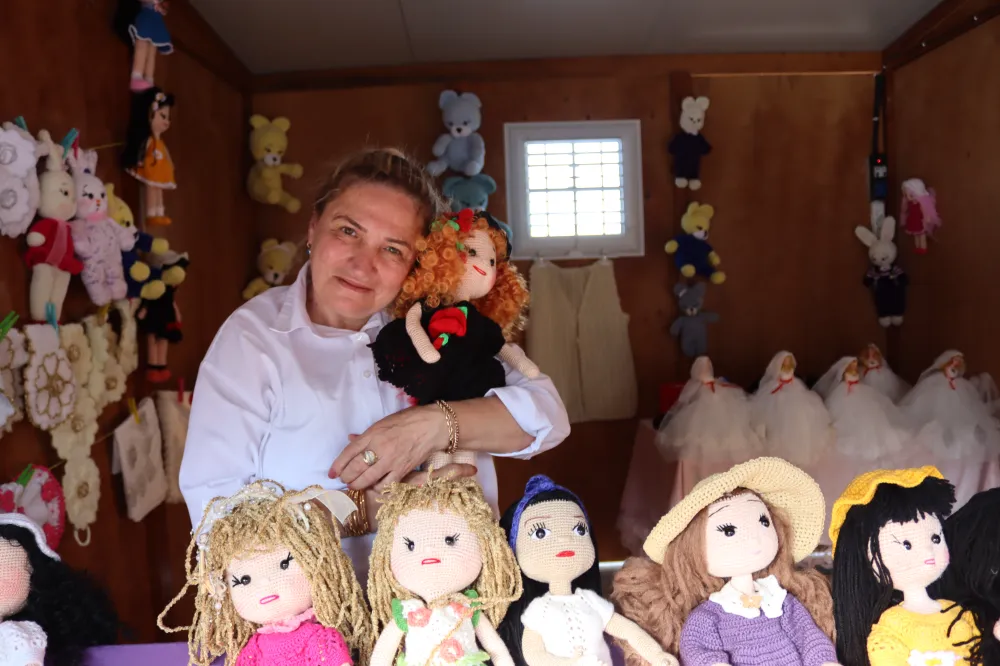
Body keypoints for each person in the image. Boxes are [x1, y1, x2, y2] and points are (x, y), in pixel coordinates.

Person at [179, 148, 570, 576]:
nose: (362, 265)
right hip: (308, 613)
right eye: (348, 231)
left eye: (393, 249)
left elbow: (548, 417)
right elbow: (218, 527)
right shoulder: (252, 340)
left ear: (419, 263)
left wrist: (431, 427)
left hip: (456, 605)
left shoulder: (439, 326)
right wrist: (369, 508)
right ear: (313, 228)